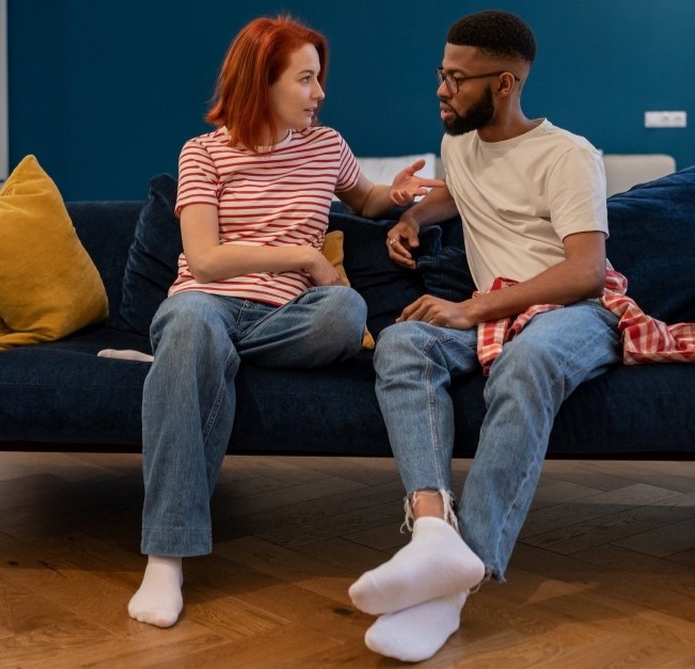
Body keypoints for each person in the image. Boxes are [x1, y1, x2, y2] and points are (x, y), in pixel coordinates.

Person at [128, 15, 444, 629]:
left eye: (319, 79)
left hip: (289, 319)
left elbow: (365, 200)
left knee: (346, 308)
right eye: (305, 79)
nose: (319, 93)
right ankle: (165, 555)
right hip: (206, 301)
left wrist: (398, 195)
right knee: (192, 324)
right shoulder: (203, 154)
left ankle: (209, 361)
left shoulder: (326, 146)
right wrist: (303, 255)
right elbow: (206, 258)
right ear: (261, 82)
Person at [349, 10, 619, 662]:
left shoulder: (568, 154)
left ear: (503, 84)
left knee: (528, 362)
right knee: (401, 341)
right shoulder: (460, 145)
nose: (441, 90)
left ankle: (455, 582)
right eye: (440, 75)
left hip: (571, 311)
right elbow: (467, 193)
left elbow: (586, 271)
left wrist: (477, 306)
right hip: (492, 314)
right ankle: (433, 531)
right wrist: (412, 218)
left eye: (456, 79)